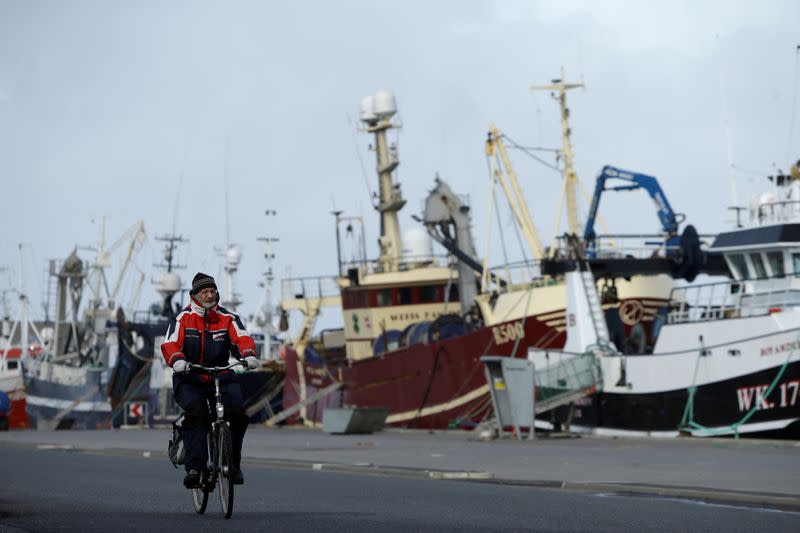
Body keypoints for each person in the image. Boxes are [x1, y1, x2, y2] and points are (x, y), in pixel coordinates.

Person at [161, 272, 259, 488]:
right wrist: (177, 360)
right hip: (190, 377)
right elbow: (170, 344)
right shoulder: (182, 319)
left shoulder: (228, 318)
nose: (210, 294)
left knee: (237, 414)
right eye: (205, 291)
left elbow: (241, 338)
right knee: (197, 415)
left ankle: (232, 465)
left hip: (221, 374)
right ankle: (195, 468)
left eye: (212, 290)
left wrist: (248, 354)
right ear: (195, 295)